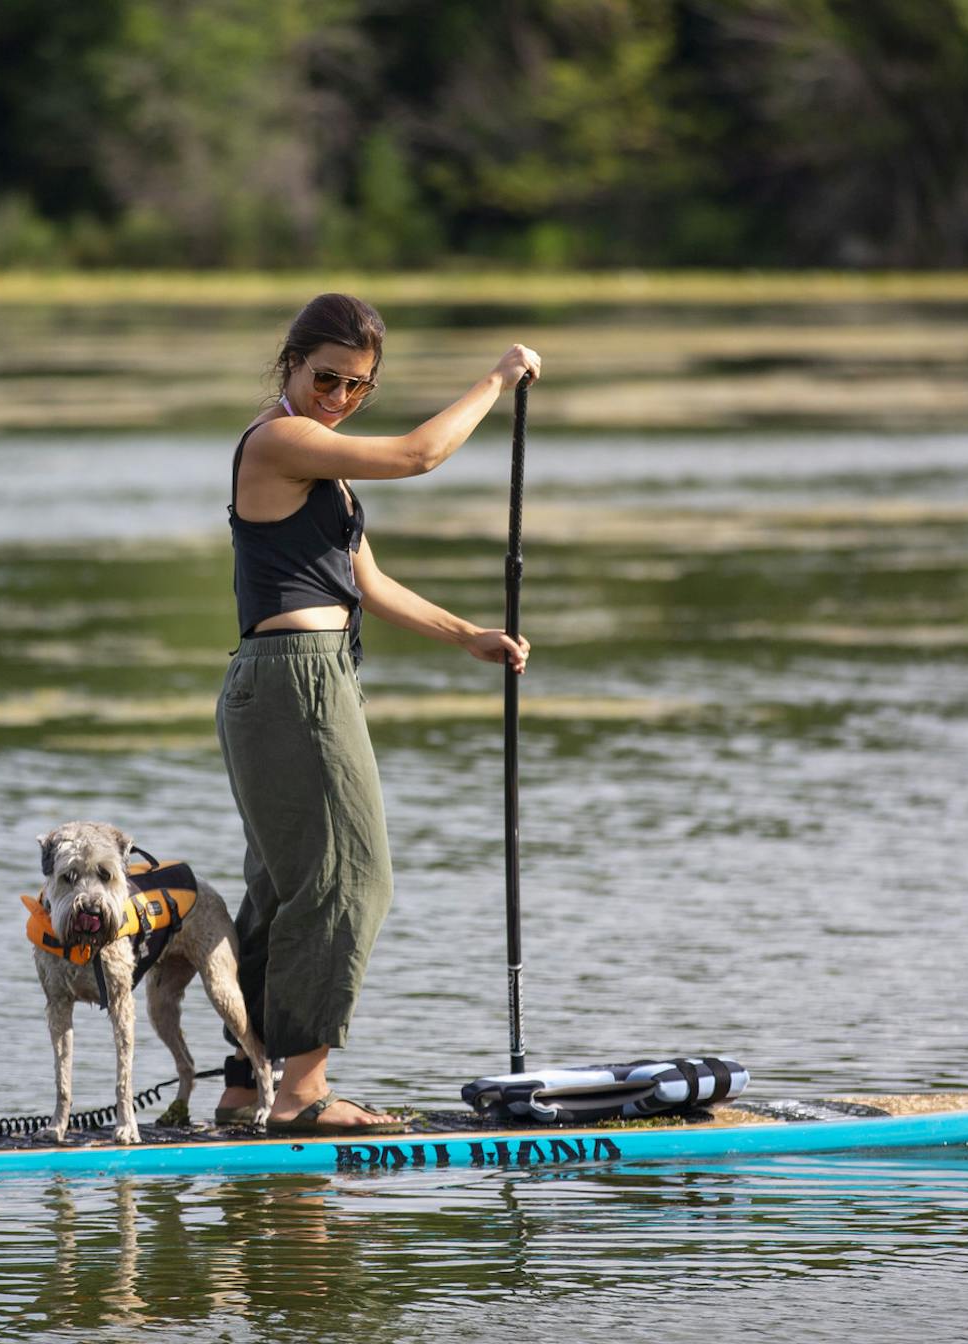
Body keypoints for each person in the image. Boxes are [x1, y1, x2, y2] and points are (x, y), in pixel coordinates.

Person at [214, 292, 540, 1134]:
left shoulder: (325, 470)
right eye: (327, 378)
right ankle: (303, 1096)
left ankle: (246, 1085)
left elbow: (365, 581)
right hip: (296, 680)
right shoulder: (279, 439)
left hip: (289, 680)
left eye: (358, 388)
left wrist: (467, 633)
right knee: (352, 878)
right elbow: (422, 455)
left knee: (284, 890)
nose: (338, 399)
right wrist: (497, 379)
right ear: (290, 364)